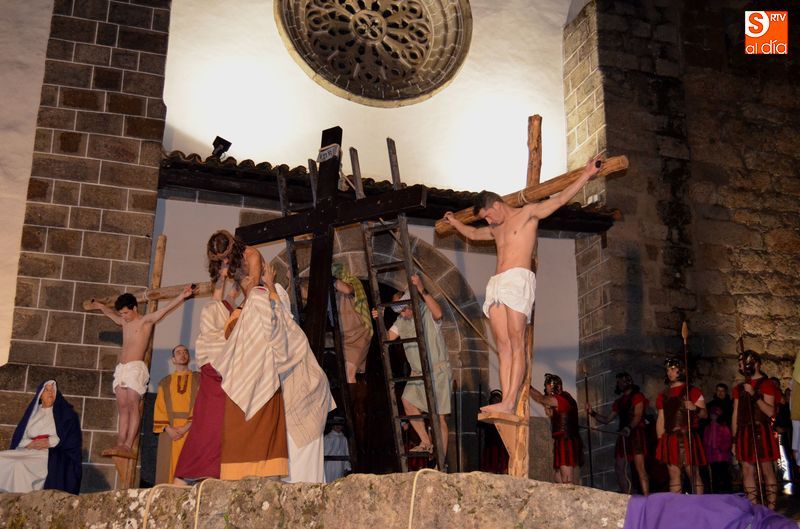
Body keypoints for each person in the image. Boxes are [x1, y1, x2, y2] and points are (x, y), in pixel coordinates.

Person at [441, 156, 603, 414]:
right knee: (502, 344)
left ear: (497, 205)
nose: (488, 221)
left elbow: (559, 200)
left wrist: (586, 174)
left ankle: (510, 401)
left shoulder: (527, 214)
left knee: (517, 341)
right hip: (497, 283)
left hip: (518, 279)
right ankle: (505, 400)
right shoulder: (495, 229)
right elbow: (472, 233)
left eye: (488, 215)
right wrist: (455, 223)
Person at [207, 261, 334, 482]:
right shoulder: (247, 317)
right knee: (291, 466)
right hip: (288, 398)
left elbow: (280, 325)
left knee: (303, 467)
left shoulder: (270, 308)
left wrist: (267, 286)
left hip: (302, 394)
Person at [90, 286, 194, 457]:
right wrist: (100, 306)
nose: (123, 316)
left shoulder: (145, 321)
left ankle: (128, 445)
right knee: (122, 406)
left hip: (135, 368)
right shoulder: (124, 322)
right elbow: (111, 314)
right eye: (121, 313)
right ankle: (120, 443)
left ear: (135, 308)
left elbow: (165, 310)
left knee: (132, 404)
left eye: (126, 312)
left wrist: (182, 296)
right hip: (122, 369)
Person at [377, 273, 452, 456]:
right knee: (407, 401)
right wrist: (379, 319)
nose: (403, 313)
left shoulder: (426, 311)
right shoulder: (401, 320)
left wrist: (421, 288)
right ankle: (425, 442)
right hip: (418, 373)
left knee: (439, 417)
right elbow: (387, 339)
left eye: (404, 309)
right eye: (400, 311)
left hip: (437, 371)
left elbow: (439, 313)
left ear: (411, 303)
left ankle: (441, 460)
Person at [173, 271, 234, 484]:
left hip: (212, 393)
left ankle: (188, 478)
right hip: (218, 390)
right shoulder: (221, 341)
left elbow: (221, 301)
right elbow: (221, 302)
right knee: (210, 433)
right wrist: (227, 280)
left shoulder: (209, 338)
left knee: (205, 434)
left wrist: (224, 278)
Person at [0, 380, 81, 494]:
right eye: (46, 390)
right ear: (40, 394)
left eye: (52, 390)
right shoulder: (33, 413)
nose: (50, 392)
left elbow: (69, 437)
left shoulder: (65, 414)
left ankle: (22, 499)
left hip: (47, 454)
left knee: (19, 465)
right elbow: (20, 436)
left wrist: (49, 442)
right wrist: (30, 443)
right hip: (28, 450)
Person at [587, 372, 649, 495]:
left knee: (640, 468)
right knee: (619, 468)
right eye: (619, 382)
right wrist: (592, 413)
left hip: (636, 435)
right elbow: (607, 420)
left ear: (628, 382)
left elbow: (637, 416)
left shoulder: (637, 397)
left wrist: (628, 428)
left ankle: (646, 497)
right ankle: (626, 496)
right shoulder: (619, 402)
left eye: (623, 381)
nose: (621, 384)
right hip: (623, 436)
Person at [732, 350, 780, 509]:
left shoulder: (767, 384)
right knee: (746, 470)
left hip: (762, 431)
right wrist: (734, 439)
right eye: (739, 363)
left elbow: (770, 412)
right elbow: (736, 414)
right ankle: (753, 508)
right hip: (744, 432)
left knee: (767, 470)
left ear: (756, 364)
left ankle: (771, 508)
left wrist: (754, 394)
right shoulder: (739, 388)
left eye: (743, 363)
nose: (741, 366)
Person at [655, 356, 707, 494]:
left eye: (673, 369)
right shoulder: (663, 395)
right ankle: (676, 505)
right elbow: (661, 419)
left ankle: (699, 504)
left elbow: (704, 414)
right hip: (670, 438)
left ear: (681, 370)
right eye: (668, 370)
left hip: (687, 436)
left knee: (693, 474)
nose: (669, 373)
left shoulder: (693, 391)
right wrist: (660, 441)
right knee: (673, 475)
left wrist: (695, 408)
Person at [152, 344, 200, 484]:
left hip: (193, 429)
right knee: (169, 468)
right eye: (178, 352)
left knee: (192, 466)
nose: (182, 354)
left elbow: (202, 403)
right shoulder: (165, 382)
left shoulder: (199, 379)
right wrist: (169, 429)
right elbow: (160, 407)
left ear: (189, 357)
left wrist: (187, 427)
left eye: (185, 352)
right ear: (173, 359)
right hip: (171, 432)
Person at [530, 374, 582, 484]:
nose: (548, 392)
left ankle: (570, 494)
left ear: (555, 386)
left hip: (566, 441)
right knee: (558, 476)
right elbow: (552, 413)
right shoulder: (562, 399)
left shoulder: (563, 399)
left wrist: (528, 387)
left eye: (549, 388)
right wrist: (548, 408)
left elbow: (541, 398)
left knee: (566, 478)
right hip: (561, 440)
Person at [332, 263, 373, 384]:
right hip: (342, 338)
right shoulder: (330, 291)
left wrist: (330, 279)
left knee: (349, 375)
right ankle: (356, 396)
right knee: (344, 376)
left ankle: (354, 397)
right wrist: (293, 280)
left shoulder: (353, 282)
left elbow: (347, 289)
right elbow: (308, 294)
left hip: (359, 335)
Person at [207, 229, 263, 299]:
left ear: (232, 249)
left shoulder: (251, 254)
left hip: (266, 295)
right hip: (251, 299)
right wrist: (221, 277)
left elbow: (253, 289)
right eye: (220, 258)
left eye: (226, 256)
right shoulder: (225, 261)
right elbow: (217, 297)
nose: (224, 262)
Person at [703, 405, 733, 493]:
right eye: (712, 414)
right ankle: (716, 493)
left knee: (724, 475)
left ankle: (727, 493)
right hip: (712, 457)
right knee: (715, 476)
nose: (713, 416)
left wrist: (721, 449)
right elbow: (705, 442)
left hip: (722, 456)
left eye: (715, 414)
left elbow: (727, 440)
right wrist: (707, 454)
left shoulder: (723, 427)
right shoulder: (707, 428)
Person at [323, 416, 351, 482]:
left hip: (340, 464)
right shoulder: (327, 437)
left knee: (338, 482)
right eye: (336, 424)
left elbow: (346, 452)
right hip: (329, 464)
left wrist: (346, 465)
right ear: (333, 426)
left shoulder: (343, 438)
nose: (338, 426)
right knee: (328, 481)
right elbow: (323, 452)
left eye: (340, 425)